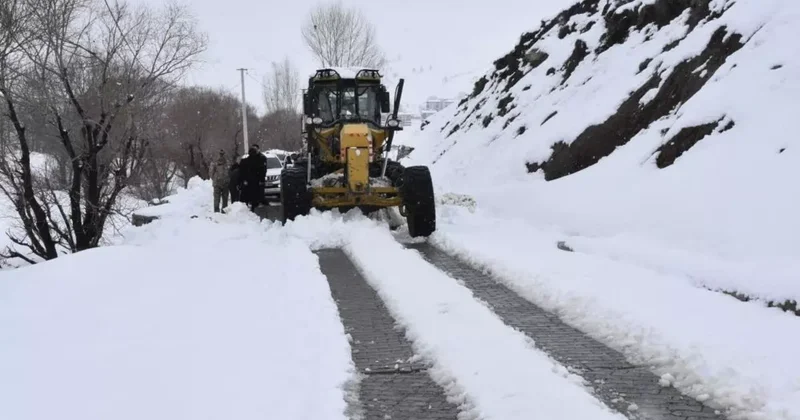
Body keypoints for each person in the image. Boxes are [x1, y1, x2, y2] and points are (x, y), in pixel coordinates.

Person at [238, 144, 268, 211]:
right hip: (252, 183)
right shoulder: (258, 160)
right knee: (253, 198)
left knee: (251, 198)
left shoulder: (261, 159)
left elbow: (263, 171)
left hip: (252, 183)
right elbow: (262, 171)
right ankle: (251, 209)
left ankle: (250, 209)